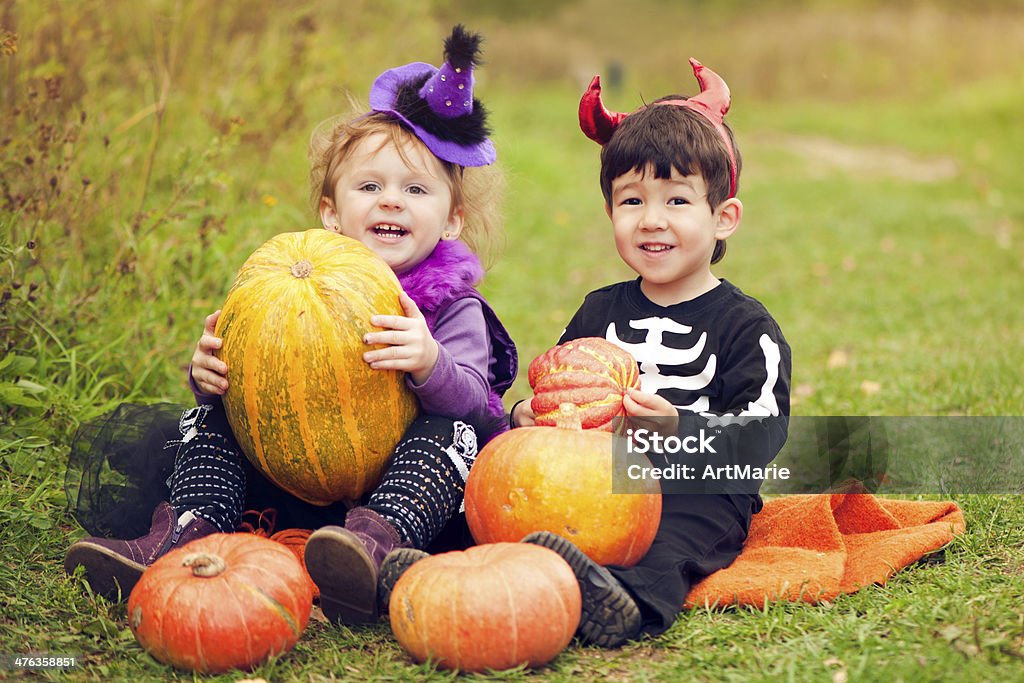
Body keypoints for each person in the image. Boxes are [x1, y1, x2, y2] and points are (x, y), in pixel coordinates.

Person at [64, 25, 517, 627]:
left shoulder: (450, 308)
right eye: (369, 186)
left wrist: (430, 362)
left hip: (398, 494)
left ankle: (369, 553)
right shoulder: (291, 289)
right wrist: (211, 374)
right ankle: (183, 536)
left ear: (452, 221)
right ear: (332, 212)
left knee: (450, 437)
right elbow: (252, 386)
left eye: (415, 189)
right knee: (206, 420)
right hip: (290, 474)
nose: (391, 201)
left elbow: (476, 408)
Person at [512, 58, 791, 647]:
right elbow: (558, 387)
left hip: (701, 486)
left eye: (677, 201)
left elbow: (763, 434)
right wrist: (524, 417)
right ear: (610, 212)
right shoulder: (598, 311)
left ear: (724, 218)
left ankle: (627, 602)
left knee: (680, 532)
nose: (652, 220)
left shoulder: (747, 328)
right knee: (504, 504)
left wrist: (680, 427)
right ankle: (431, 565)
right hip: (594, 481)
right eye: (632, 201)